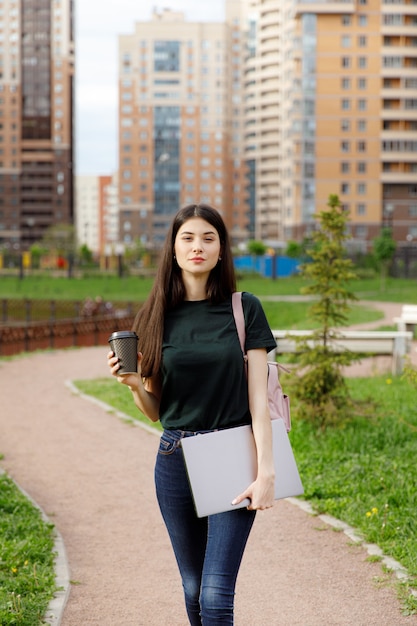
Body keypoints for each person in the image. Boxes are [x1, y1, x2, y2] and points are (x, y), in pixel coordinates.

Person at [107, 203, 277, 625]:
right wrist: (132, 385)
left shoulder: (245, 308)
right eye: (188, 238)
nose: (197, 246)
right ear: (174, 248)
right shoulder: (155, 317)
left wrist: (267, 472)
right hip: (174, 457)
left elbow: (259, 399)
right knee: (194, 589)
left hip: (233, 455)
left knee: (217, 596)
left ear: (221, 250)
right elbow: (156, 411)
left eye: (208, 238)